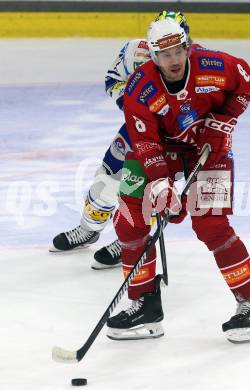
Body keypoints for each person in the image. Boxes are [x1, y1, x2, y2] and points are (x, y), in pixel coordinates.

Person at [106, 18, 250, 343]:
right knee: (129, 218)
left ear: (187, 46)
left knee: (211, 225)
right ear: (153, 55)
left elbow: (248, 85)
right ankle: (144, 305)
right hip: (162, 147)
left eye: (177, 50)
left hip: (211, 149)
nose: (172, 59)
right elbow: (143, 141)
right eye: (163, 53)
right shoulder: (140, 87)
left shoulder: (216, 65)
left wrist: (223, 121)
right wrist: (159, 182)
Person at [50, 11, 190, 270]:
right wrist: (135, 106)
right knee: (106, 179)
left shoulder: (197, 63)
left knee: (148, 194)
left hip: (175, 142)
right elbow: (112, 79)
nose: (170, 51)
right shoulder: (135, 51)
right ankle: (87, 230)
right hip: (135, 130)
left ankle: (128, 242)